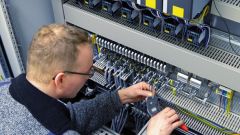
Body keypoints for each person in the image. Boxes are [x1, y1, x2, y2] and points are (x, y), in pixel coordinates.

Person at [0, 24, 183, 135]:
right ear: (60, 79)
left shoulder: (8, 88)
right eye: (87, 72)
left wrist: (120, 97)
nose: (90, 76)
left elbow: (66, 117)